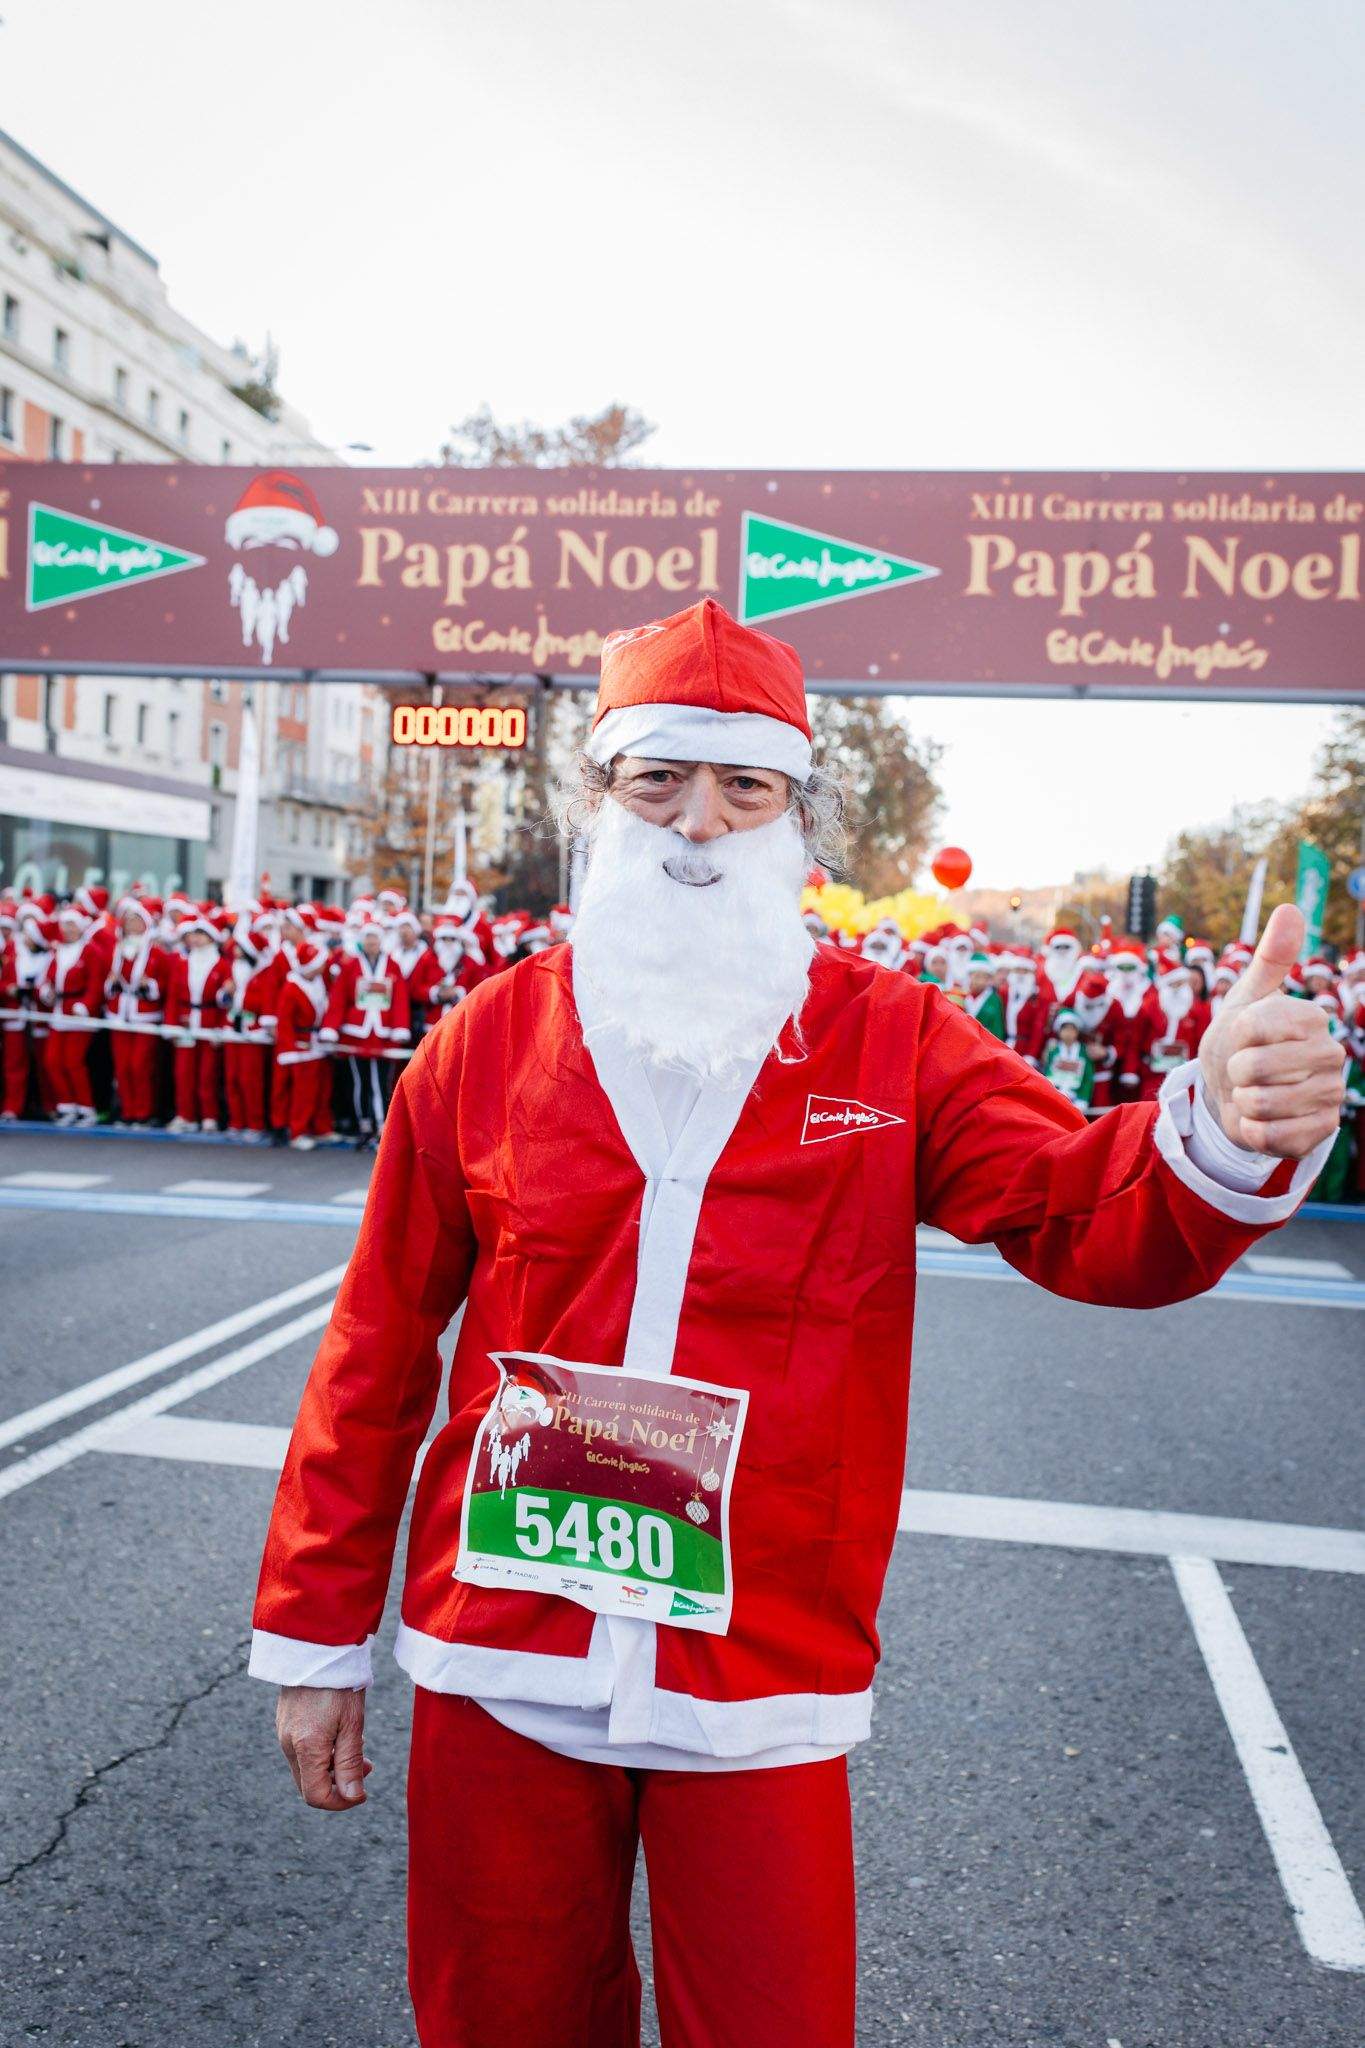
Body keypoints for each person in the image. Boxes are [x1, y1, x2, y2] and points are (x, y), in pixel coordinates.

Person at [250, 597, 1344, 2048]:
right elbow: (377, 1346)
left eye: (742, 784)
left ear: (792, 813)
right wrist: (316, 1643)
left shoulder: (888, 1037)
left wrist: (1220, 1122)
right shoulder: (489, 1039)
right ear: (601, 799)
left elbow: (1082, 1210)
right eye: (660, 780)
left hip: (756, 1667)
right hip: (501, 1656)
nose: (698, 823)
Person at [320, 918, 411, 1144]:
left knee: (381, 1082)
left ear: (381, 941)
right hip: (357, 1033)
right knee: (360, 1081)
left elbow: (399, 999)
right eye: (368, 938)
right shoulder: (350, 967)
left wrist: (400, 1026)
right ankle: (364, 1123)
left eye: (375, 938)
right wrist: (331, 1027)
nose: (372, 942)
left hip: (383, 1034)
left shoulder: (392, 966)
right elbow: (339, 998)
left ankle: (383, 1126)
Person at [103, 897, 169, 1125]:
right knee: (122, 1066)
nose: (131, 925)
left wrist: (148, 985)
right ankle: (127, 1110)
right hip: (119, 1013)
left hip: (144, 1014)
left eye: (136, 920)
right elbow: (108, 983)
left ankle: (144, 1111)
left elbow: (164, 985)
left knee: (140, 1065)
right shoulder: (117, 950)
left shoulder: (156, 953)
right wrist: (112, 982)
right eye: (128, 921)